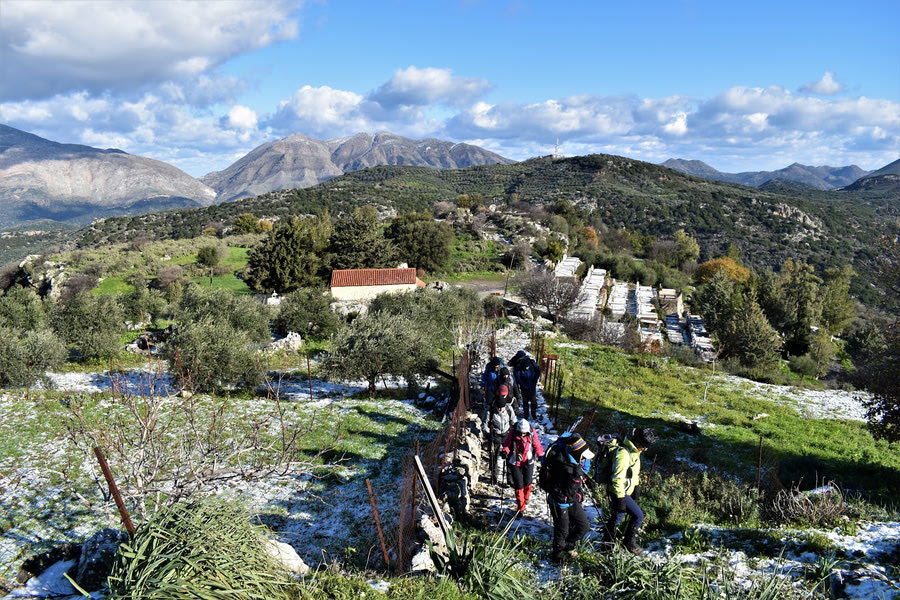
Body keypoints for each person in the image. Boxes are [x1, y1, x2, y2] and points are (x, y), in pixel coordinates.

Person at [601, 427, 658, 554]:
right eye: (644, 446)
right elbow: (617, 478)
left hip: (623, 491)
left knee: (617, 517)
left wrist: (636, 487)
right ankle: (628, 544)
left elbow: (634, 473)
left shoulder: (634, 452)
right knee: (638, 516)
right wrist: (620, 498)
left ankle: (607, 546)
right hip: (617, 491)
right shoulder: (624, 454)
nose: (646, 449)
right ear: (638, 443)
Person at [543, 432, 595, 563]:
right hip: (559, 502)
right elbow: (568, 491)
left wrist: (584, 479)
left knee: (583, 526)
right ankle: (557, 555)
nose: (585, 460)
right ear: (577, 454)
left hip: (570, 501)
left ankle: (568, 545)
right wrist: (577, 479)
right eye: (583, 457)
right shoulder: (564, 466)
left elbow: (573, 491)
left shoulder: (574, 463)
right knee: (562, 531)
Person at [500, 418, 544, 513]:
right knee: (519, 485)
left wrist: (540, 456)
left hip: (528, 461)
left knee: (528, 482)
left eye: (524, 433)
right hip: (514, 462)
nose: (522, 435)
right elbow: (507, 445)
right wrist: (505, 452)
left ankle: (526, 497)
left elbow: (537, 445)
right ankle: (521, 508)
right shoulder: (513, 432)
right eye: (520, 432)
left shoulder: (532, 433)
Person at [486, 385, 516, 485]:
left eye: (501, 408)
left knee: (509, 457)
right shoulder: (490, 411)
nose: (500, 409)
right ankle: (494, 477)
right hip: (495, 436)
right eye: (498, 408)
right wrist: (487, 434)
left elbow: (514, 421)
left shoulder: (508, 409)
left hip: (507, 435)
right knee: (494, 456)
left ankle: (510, 478)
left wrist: (513, 433)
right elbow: (484, 424)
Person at [509, 349, 541, 420]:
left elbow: (538, 371)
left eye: (528, 367)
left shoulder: (532, 364)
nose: (527, 368)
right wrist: (523, 385)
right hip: (524, 387)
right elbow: (518, 378)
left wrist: (535, 381)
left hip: (532, 385)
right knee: (525, 401)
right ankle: (526, 415)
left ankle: (533, 414)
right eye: (525, 367)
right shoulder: (519, 367)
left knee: (533, 401)